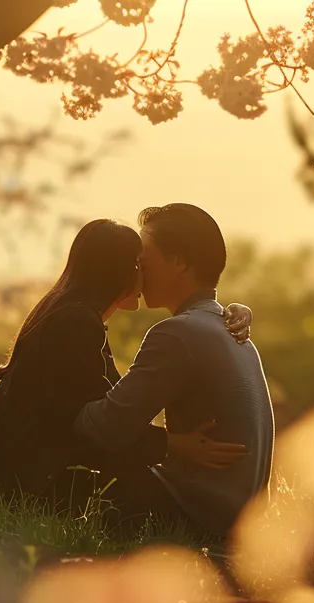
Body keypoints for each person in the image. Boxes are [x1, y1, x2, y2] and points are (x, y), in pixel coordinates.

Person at [0, 218, 252, 510]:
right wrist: (175, 445)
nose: (144, 276)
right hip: (17, 484)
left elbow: (102, 414)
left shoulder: (77, 318)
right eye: (138, 265)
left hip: (17, 477)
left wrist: (220, 312)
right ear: (115, 270)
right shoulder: (76, 324)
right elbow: (91, 427)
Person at [75, 203, 275, 542]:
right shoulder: (229, 329)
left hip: (195, 514)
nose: (134, 269)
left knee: (72, 463)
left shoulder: (177, 334)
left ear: (178, 262)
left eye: (143, 259)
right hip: (237, 521)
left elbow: (103, 428)